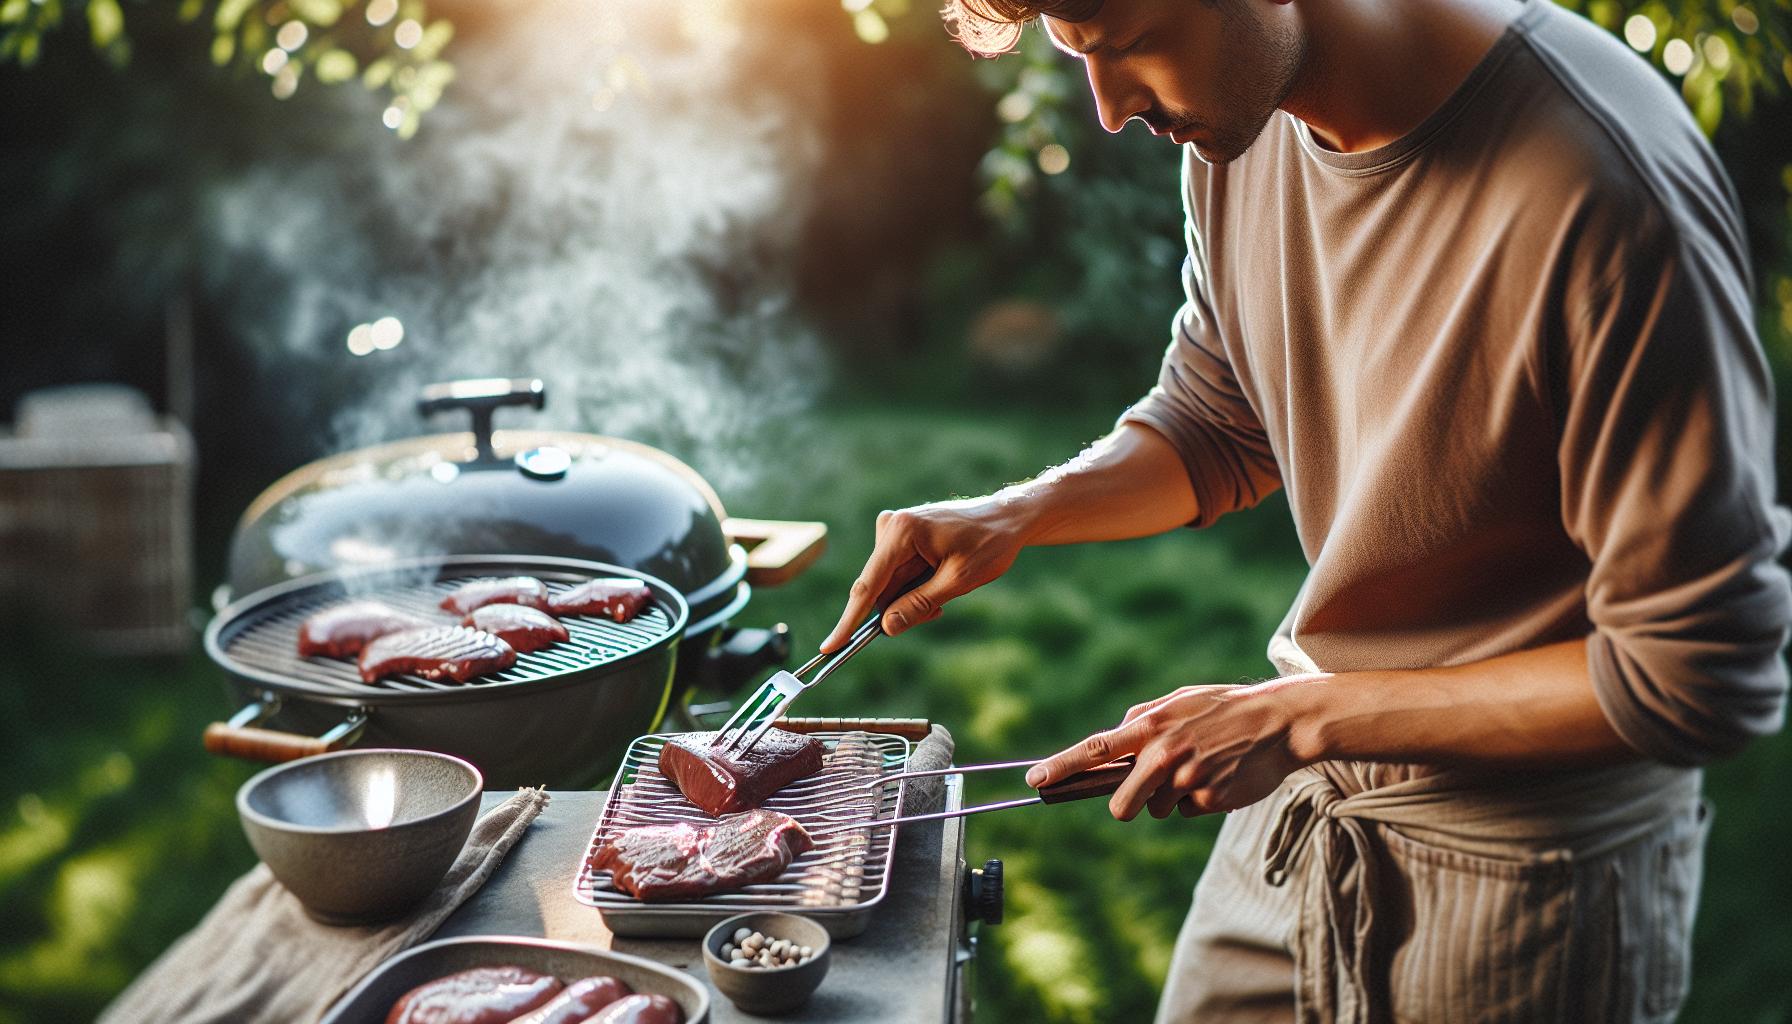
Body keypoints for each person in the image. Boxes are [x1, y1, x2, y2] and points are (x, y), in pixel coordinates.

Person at [820, 0, 1792, 1021]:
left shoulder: (1598, 190)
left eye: (1129, 45)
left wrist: (1296, 717)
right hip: (1309, 804)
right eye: (1080, 56)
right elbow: (1219, 417)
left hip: (1526, 885)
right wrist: (1014, 514)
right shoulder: (1244, 117)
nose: (1109, 112)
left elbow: (1691, 672)